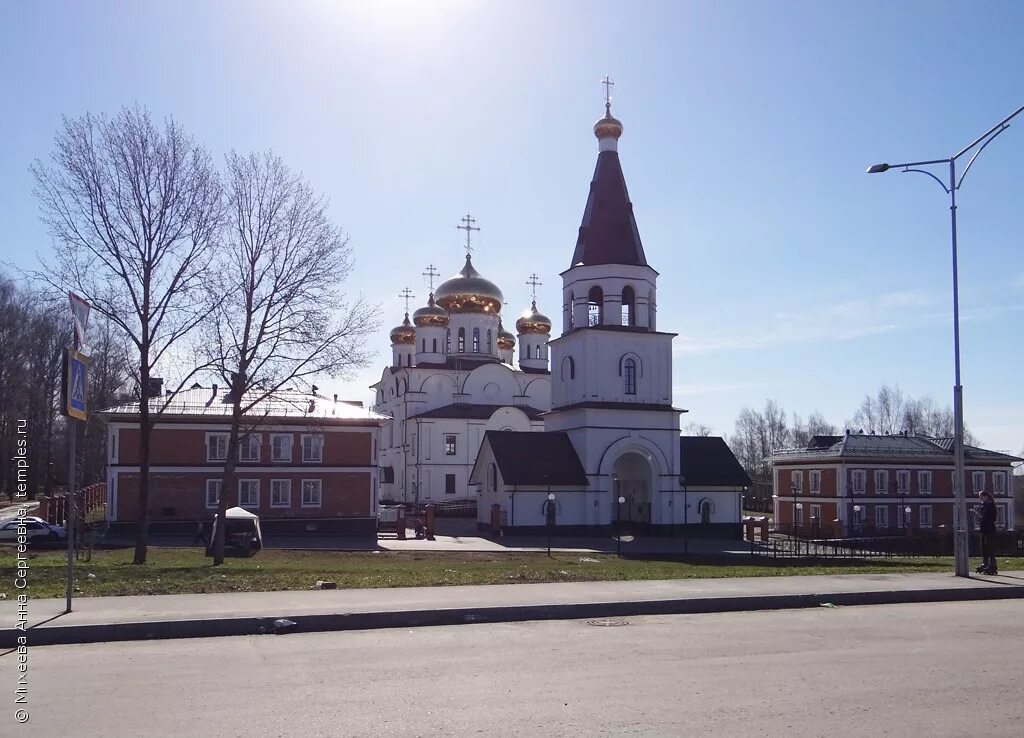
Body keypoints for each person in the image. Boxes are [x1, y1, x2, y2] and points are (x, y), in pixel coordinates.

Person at [972, 490, 998, 575]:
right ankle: (986, 564)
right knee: (984, 547)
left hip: (988, 529)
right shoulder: (986, 504)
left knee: (989, 547)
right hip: (985, 528)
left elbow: (988, 517)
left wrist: (977, 514)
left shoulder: (989, 505)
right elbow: (985, 517)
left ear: (985, 496)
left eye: (981, 496)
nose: (980, 498)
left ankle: (992, 565)